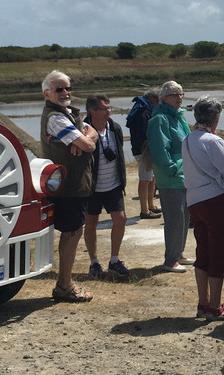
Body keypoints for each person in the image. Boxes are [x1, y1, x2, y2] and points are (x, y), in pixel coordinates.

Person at [40, 70, 98, 303]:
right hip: (69, 185)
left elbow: (91, 132)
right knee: (72, 233)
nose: (65, 93)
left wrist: (84, 138)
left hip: (76, 183)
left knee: (75, 231)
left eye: (67, 88)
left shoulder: (67, 114)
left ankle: (66, 282)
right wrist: (83, 141)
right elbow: (90, 143)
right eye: (59, 89)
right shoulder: (56, 118)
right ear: (47, 93)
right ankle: (65, 285)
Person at [182, 96, 224, 319]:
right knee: (219, 253)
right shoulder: (213, 141)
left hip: (194, 200)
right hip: (215, 200)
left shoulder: (188, 139)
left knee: (203, 251)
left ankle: (203, 303)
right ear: (216, 117)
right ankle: (215, 307)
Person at [147, 80, 193, 272]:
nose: (179, 98)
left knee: (185, 216)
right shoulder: (160, 119)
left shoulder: (178, 117)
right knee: (174, 218)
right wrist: (172, 168)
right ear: (163, 98)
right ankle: (170, 259)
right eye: (174, 94)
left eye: (181, 94)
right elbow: (160, 149)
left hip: (185, 174)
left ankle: (178, 253)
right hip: (171, 176)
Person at [83, 94, 130, 280]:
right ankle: (94, 262)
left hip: (113, 184)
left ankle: (114, 260)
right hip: (92, 187)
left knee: (120, 219)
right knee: (91, 223)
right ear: (92, 111)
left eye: (109, 107)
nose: (109, 111)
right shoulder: (84, 130)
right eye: (104, 108)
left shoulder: (115, 128)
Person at [130, 90, 162, 220]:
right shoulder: (142, 111)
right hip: (143, 149)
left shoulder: (144, 107)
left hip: (146, 148)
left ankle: (151, 205)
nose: (158, 102)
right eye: (157, 99)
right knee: (145, 179)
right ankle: (144, 210)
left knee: (152, 178)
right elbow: (145, 132)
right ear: (151, 97)